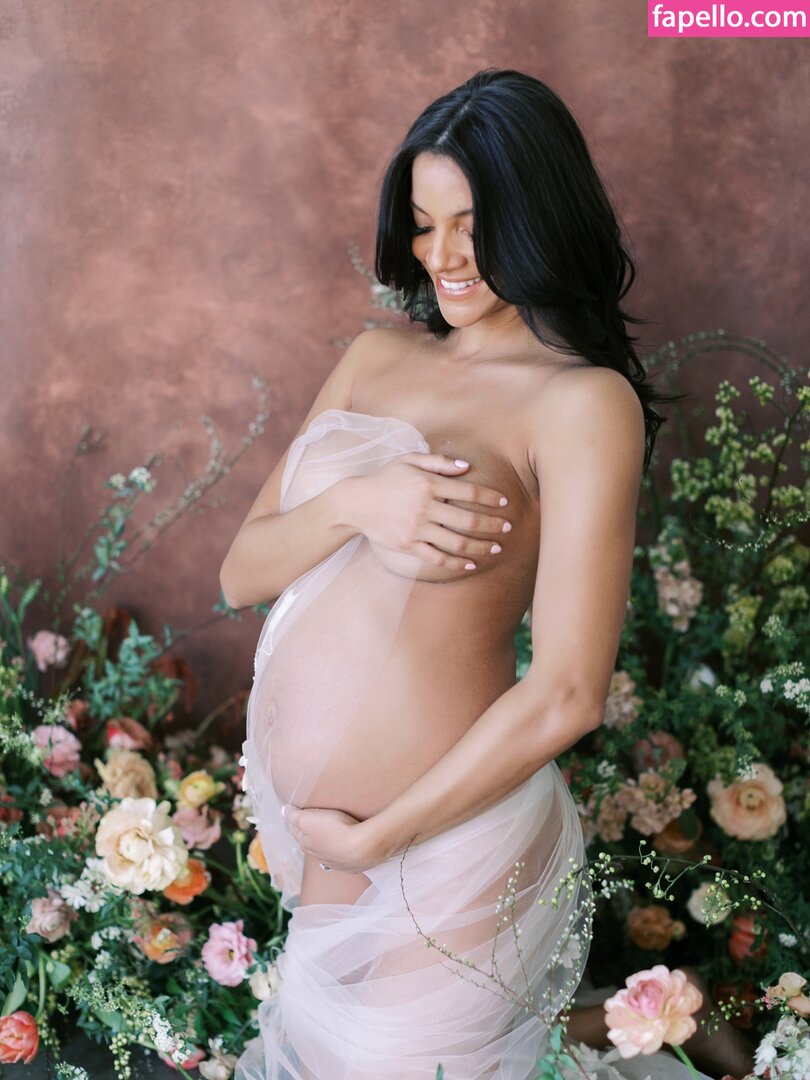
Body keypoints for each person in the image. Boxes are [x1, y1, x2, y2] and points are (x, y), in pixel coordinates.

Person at [221, 68, 690, 1080]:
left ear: (539, 219)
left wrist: (381, 835)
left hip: (449, 842)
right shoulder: (373, 359)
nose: (441, 256)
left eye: (472, 226)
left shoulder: (581, 403)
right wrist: (358, 503)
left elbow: (567, 693)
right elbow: (240, 573)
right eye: (425, 225)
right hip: (330, 845)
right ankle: (646, 1026)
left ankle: (671, 1028)